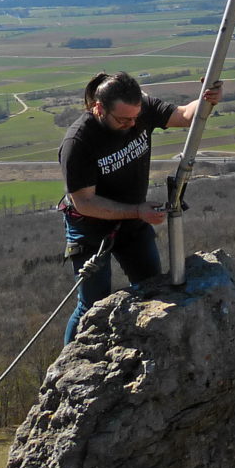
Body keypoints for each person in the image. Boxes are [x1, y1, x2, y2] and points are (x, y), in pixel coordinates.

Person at [59, 71, 222, 343]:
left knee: (152, 289)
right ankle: (70, 363)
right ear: (98, 108)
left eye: (136, 118)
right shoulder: (78, 142)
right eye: (123, 119)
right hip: (90, 228)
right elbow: (84, 202)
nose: (133, 124)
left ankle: (148, 353)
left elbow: (184, 116)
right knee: (93, 304)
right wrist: (137, 211)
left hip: (134, 223)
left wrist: (208, 99)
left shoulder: (139, 108)